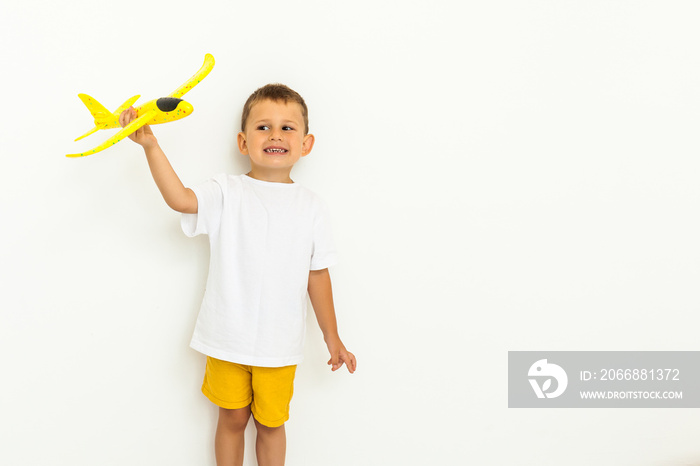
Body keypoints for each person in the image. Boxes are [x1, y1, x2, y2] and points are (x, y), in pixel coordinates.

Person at [119, 83, 356, 466]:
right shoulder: (226, 192)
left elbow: (318, 275)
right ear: (243, 142)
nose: (275, 135)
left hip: (278, 347)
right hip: (226, 338)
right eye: (263, 127)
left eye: (287, 128)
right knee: (231, 417)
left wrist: (333, 338)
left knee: (270, 424)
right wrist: (151, 146)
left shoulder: (312, 207)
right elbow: (180, 198)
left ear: (306, 144)